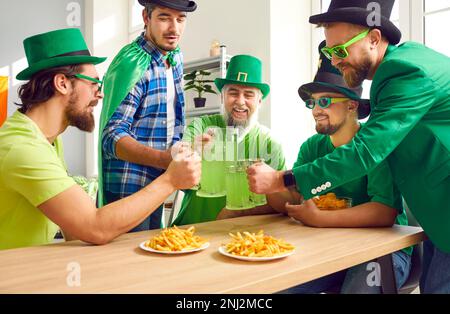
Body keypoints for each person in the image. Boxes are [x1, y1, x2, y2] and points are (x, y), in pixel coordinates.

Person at [247, 0, 450, 293]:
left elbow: (365, 151)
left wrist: (283, 178)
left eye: (340, 50)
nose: (335, 59)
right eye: (330, 51)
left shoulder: (403, 72)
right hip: (436, 216)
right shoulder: (401, 67)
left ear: (374, 38)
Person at [0, 28, 200, 251]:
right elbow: (94, 226)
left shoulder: (47, 140)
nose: (100, 93)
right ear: (62, 83)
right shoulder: (23, 148)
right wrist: (171, 180)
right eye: (94, 83)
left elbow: (74, 228)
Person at [277, 41, 411, 294]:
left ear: (352, 105)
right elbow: (295, 197)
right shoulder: (311, 147)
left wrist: (320, 218)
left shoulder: (373, 145)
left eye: (325, 101)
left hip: (383, 252)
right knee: (277, 286)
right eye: (312, 103)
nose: (316, 110)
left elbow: (385, 212)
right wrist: (269, 182)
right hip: (329, 250)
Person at [98, 0, 197, 231]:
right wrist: (164, 159)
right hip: (128, 188)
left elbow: (169, 121)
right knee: (127, 263)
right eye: (164, 17)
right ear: (146, 17)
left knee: (153, 258)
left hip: (158, 185)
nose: (174, 29)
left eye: (181, 19)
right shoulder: (133, 62)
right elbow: (111, 136)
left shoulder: (174, 56)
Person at [171, 55, 286, 226]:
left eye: (248, 95)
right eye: (233, 93)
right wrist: (191, 152)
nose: (240, 102)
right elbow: (177, 175)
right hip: (190, 231)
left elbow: (282, 202)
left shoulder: (270, 143)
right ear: (222, 97)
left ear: (259, 101)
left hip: (243, 239)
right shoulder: (201, 126)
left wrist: (234, 212)